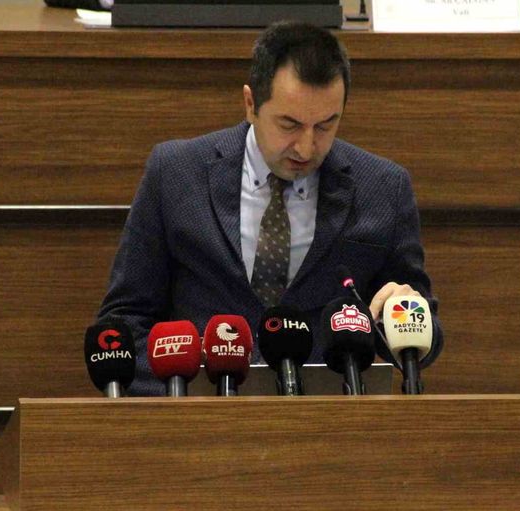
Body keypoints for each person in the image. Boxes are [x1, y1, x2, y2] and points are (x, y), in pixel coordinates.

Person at [98, 21, 443, 395]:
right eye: (289, 124)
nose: (306, 148)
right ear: (251, 104)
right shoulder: (176, 173)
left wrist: (404, 320)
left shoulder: (384, 187)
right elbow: (125, 321)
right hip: (199, 412)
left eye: (326, 125)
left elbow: (426, 339)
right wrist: (182, 385)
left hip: (328, 416)